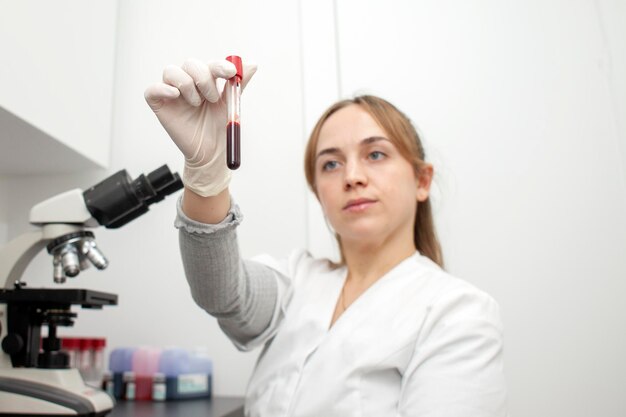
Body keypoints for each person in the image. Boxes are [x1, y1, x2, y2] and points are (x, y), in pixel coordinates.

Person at [145, 58, 508, 417]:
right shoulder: (298, 279)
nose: (352, 176)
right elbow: (222, 293)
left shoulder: (456, 314)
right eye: (331, 164)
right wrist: (206, 174)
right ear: (319, 193)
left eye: (376, 154)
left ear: (422, 181)